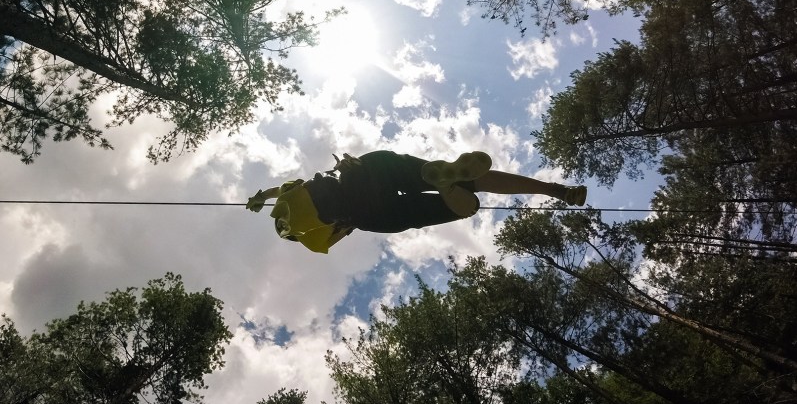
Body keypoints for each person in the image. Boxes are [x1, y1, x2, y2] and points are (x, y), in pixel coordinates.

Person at [246, 150, 587, 253]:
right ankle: (554, 190)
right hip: (366, 169)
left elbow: (340, 233)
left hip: (371, 212)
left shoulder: (310, 237)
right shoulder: (293, 191)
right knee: (470, 178)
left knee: (462, 205)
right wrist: (262, 195)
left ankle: (449, 192)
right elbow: (279, 190)